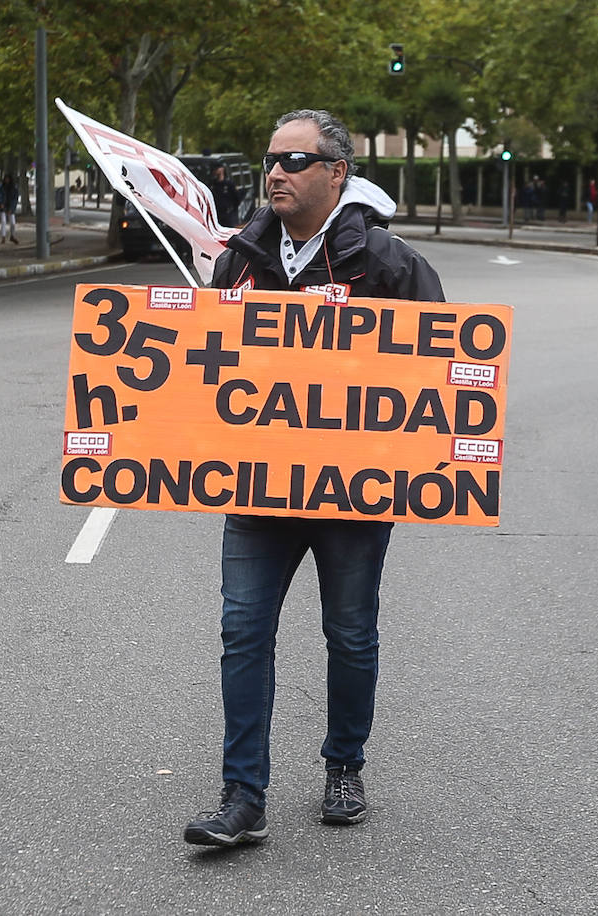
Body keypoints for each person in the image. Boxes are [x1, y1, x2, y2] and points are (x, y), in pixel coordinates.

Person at [183, 108, 444, 848]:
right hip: (256, 490)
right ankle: (243, 796)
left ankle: (344, 767)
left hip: (352, 496)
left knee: (350, 633)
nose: (275, 173)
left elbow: (442, 372)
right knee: (242, 631)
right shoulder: (238, 259)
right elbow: (200, 376)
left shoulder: (389, 264)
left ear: (337, 173)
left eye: (294, 161)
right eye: (270, 160)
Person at [0, 174, 19, 244]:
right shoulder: (1, 187)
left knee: (13, 223)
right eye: (6, 179)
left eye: (8, 179)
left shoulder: (14, 187)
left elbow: (15, 199)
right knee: (3, 221)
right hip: (3, 206)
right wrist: (1, 203)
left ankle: (12, 236)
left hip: (10, 207)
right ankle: (3, 237)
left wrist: (12, 208)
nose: (7, 180)